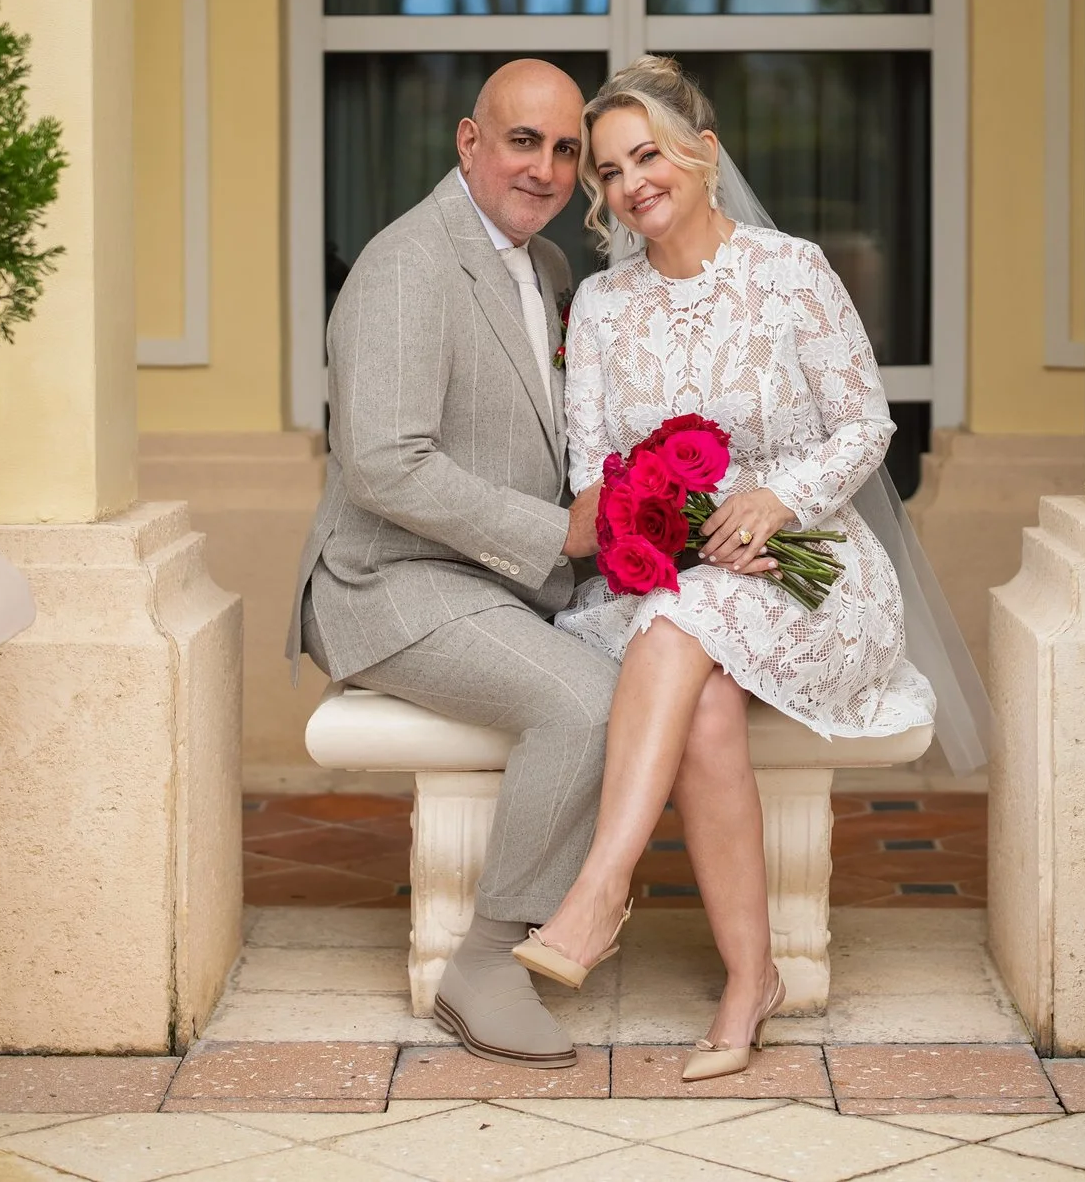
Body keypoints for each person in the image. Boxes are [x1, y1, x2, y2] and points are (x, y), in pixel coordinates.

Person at [516, 56, 940, 1083]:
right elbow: (594, 476)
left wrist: (775, 501)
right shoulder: (606, 309)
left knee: (683, 629)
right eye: (609, 171)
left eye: (646, 154)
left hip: (812, 567)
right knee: (700, 693)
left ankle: (600, 888)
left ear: (703, 155)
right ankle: (750, 982)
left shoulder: (790, 271)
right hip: (679, 577)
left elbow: (863, 423)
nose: (628, 184)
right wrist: (659, 523)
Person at [289, 59, 611, 1070]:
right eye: (523, 140)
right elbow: (382, 463)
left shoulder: (546, 267)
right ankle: (484, 958)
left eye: (565, 149)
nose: (546, 168)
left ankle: (583, 896)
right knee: (589, 700)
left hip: (486, 573)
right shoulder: (407, 264)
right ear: (469, 144)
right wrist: (558, 534)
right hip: (385, 580)